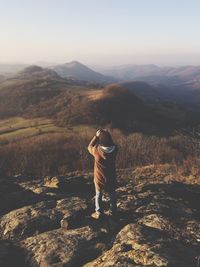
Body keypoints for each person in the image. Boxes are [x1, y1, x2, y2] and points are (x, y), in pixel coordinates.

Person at [88, 128, 118, 219]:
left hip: (99, 177)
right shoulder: (115, 149)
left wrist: (96, 136)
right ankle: (113, 211)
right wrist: (107, 134)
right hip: (111, 177)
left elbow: (89, 146)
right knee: (112, 193)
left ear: (101, 141)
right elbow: (113, 144)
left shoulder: (96, 150)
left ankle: (99, 212)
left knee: (98, 194)